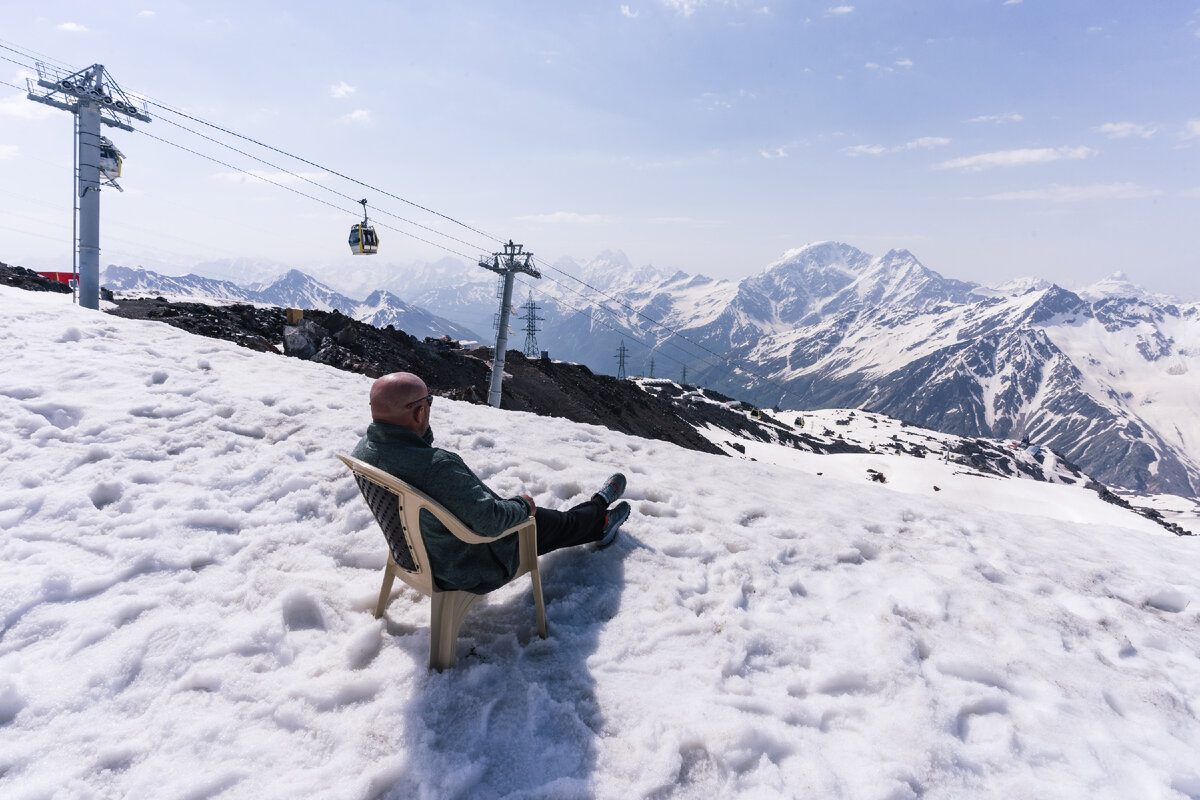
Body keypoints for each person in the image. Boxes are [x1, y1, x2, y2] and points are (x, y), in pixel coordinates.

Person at [351, 372, 631, 595]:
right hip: (470, 561)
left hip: (421, 551)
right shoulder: (436, 467)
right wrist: (522, 506)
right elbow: (491, 521)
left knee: (550, 520)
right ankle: (600, 516)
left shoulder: (364, 451)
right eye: (428, 404)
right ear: (419, 413)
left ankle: (597, 509)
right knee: (554, 522)